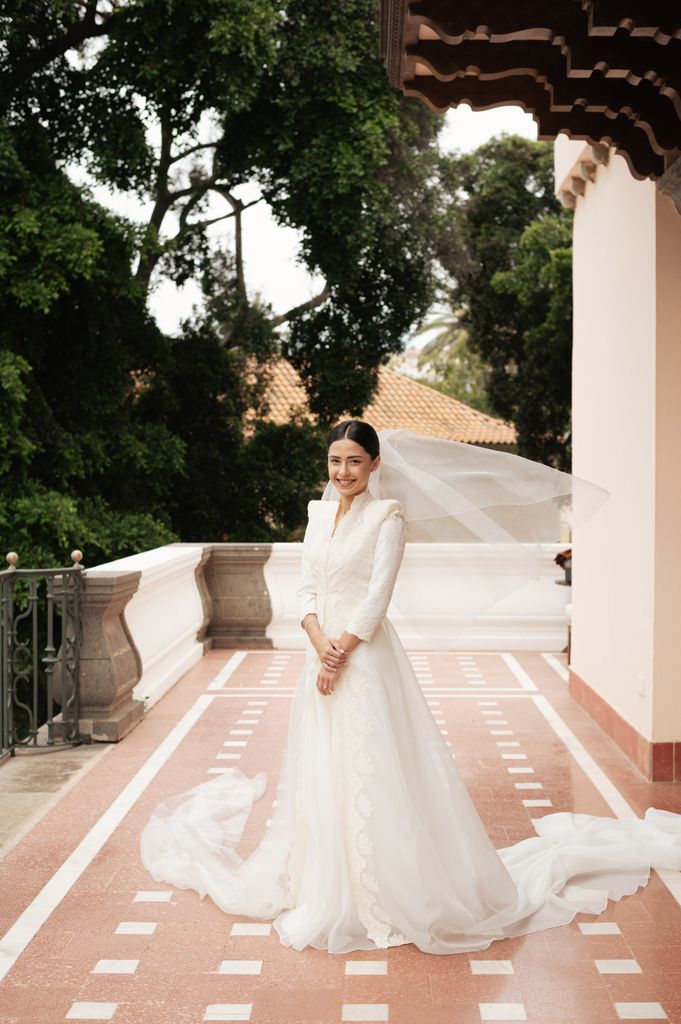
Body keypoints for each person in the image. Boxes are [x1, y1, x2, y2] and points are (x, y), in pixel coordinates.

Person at [140, 419, 681, 955]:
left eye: (355, 461)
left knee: (371, 766)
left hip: (363, 658)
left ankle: (384, 891)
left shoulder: (388, 518)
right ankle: (324, 882)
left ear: (374, 464)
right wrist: (318, 642)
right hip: (319, 652)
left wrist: (339, 653)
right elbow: (304, 587)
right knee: (324, 763)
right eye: (335, 460)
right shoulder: (318, 514)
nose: (343, 471)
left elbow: (377, 597)